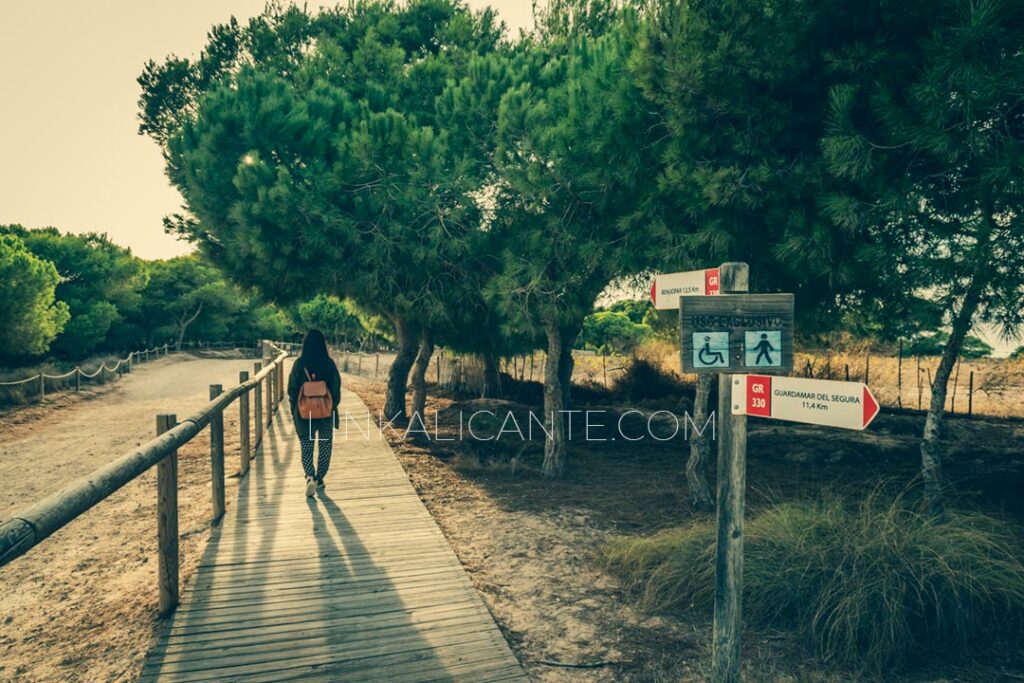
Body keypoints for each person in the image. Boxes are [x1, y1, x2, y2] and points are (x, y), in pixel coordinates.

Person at [287, 330, 341, 498]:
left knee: (306, 446)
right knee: (325, 447)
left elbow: (292, 390)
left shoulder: (299, 364)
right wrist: (331, 407)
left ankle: (309, 476)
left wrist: (294, 409)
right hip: (325, 413)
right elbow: (336, 389)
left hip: (304, 414)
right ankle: (320, 478)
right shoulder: (329, 363)